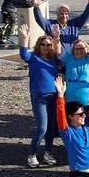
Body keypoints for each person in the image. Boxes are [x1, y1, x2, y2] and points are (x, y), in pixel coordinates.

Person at [13, 23, 61, 167]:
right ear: (39, 46)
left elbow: (60, 53)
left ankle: (48, 152)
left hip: (53, 96)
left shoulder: (53, 60)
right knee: (42, 127)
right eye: (43, 44)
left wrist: (57, 38)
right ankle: (32, 154)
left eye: (48, 45)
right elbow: (23, 54)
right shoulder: (33, 58)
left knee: (52, 127)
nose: (46, 47)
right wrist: (25, 38)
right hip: (39, 97)